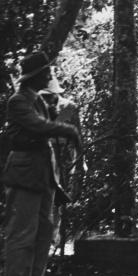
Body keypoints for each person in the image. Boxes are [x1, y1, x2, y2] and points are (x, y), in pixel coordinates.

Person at [0, 52, 82, 276]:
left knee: (44, 230)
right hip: (25, 171)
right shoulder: (18, 101)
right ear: (34, 76)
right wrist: (68, 130)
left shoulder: (37, 100)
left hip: (43, 172)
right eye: (46, 72)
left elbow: (46, 127)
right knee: (23, 229)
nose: (49, 76)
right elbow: (38, 126)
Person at [38, 73, 83, 262]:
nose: (47, 100)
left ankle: (56, 242)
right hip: (43, 158)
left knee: (59, 201)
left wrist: (78, 168)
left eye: (50, 96)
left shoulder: (70, 108)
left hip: (63, 159)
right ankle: (44, 244)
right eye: (44, 97)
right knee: (43, 202)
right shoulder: (36, 108)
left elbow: (77, 140)